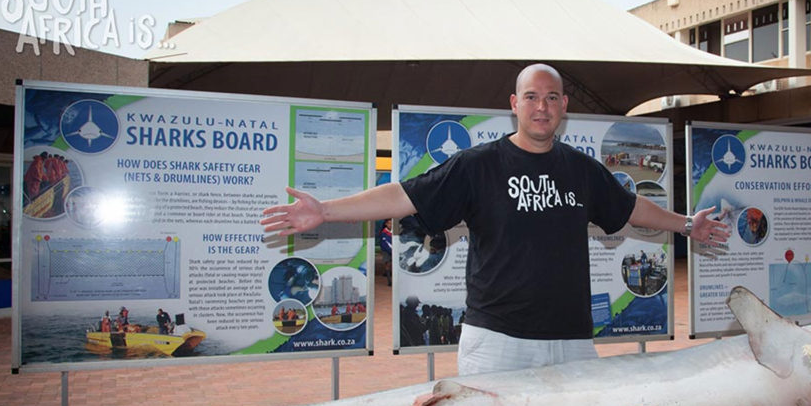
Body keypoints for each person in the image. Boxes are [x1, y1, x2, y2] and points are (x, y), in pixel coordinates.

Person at [263, 63, 730, 376]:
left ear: (564, 105)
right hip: (498, 344)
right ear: (514, 103)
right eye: (531, 97)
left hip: (571, 341)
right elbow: (404, 194)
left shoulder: (582, 169)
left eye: (551, 97)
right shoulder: (478, 165)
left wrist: (688, 224)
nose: (541, 106)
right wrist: (326, 211)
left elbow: (630, 208)